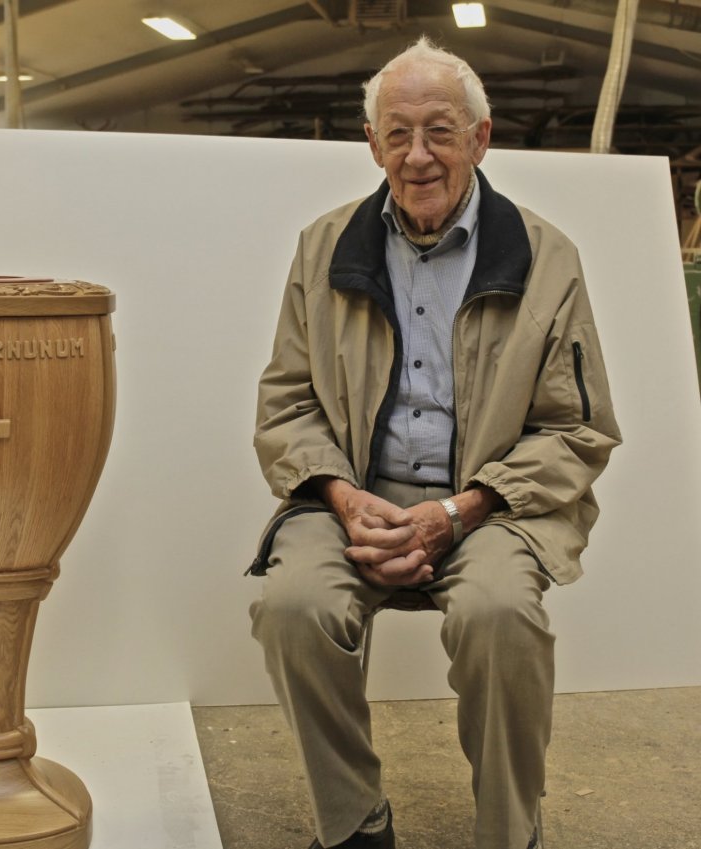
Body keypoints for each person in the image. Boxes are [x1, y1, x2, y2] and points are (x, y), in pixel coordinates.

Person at [248, 36, 621, 849]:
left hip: (489, 504)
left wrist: (458, 510)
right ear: (373, 144)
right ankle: (353, 824)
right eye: (398, 133)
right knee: (293, 606)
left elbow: (577, 428)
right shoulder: (323, 248)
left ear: (481, 139)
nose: (418, 155)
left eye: (441, 131)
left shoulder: (547, 259)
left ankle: (508, 832)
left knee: (499, 613)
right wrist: (344, 499)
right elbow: (286, 404)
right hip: (350, 495)